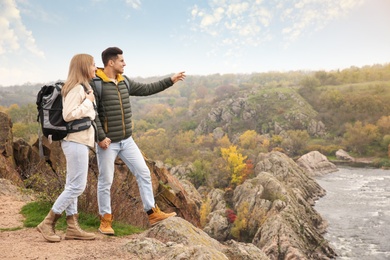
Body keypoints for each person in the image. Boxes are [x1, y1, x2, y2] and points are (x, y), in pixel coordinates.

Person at [92, 47, 185, 235]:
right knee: (105, 180)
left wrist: (170, 80)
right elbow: (92, 114)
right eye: (121, 61)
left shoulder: (124, 81)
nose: (124, 64)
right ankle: (105, 221)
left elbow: (147, 89)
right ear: (111, 62)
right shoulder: (96, 84)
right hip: (107, 143)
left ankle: (152, 213)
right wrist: (101, 137)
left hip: (127, 141)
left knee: (144, 173)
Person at [37, 54, 97, 242]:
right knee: (77, 186)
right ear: (84, 67)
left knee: (72, 185)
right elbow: (69, 114)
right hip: (76, 141)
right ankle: (48, 222)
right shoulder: (77, 89)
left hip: (77, 141)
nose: (96, 68)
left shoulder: (82, 88)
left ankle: (72, 227)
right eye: (93, 65)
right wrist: (88, 101)